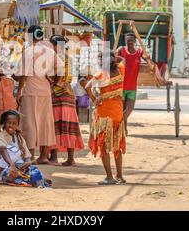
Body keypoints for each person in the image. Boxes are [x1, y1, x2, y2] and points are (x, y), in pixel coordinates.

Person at [17, 25, 60, 165]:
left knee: (30, 122)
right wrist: (53, 85)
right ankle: (43, 156)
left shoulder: (29, 51)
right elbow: (60, 70)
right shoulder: (50, 51)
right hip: (45, 91)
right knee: (45, 122)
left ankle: (31, 156)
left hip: (30, 90)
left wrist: (19, 91)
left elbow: (24, 73)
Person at [85, 51, 126, 185]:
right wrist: (115, 58)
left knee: (103, 145)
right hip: (118, 112)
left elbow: (86, 86)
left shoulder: (100, 75)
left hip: (104, 113)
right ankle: (119, 175)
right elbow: (123, 59)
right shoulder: (121, 69)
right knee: (117, 144)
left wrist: (94, 99)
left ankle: (109, 177)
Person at [0, 110, 51, 187]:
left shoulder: (19, 138)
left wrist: (28, 163)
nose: (11, 125)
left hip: (16, 167)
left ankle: (37, 179)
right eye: (9, 123)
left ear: (17, 125)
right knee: (15, 152)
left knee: (33, 170)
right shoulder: (0, 136)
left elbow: (27, 156)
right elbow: (3, 151)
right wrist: (12, 165)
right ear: (4, 123)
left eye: (14, 123)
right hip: (4, 168)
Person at [48, 35, 84, 166]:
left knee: (54, 126)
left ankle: (54, 157)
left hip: (57, 94)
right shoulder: (68, 58)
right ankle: (70, 158)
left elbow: (58, 76)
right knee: (69, 126)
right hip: (68, 94)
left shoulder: (56, 58)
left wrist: (51, 84)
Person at [117, 33, 145, 136]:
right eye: (127, 40)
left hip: (132, 87)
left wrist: (148, 58)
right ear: (125, 40)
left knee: (129, 108)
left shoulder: (139, 52)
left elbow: (147, 59)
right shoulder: (121, 50)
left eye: (131, 41)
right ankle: (124, 129)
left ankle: (119, 123)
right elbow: (114, 57)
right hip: (121, 86)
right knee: (123, 108)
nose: (129, 42)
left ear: (134, 41)